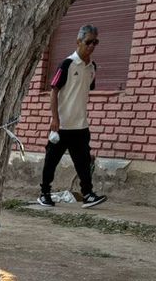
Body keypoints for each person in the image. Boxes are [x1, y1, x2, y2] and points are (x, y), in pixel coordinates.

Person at [39, 24, 107, 208]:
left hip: (80, 126)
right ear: (78, 41)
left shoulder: (92, 67)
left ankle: (88, 195)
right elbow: (54, 90)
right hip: (61, 125)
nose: (92, 46)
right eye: (88, 42)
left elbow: (86, 90)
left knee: (83, 162)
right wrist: (55, 118)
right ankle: (44, 193)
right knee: (51, 161)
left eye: (95, 42)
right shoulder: (67, 64)